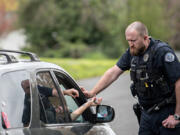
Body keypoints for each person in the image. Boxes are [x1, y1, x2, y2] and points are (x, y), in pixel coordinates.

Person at [81, 21, 180, 135]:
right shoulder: (132, 52)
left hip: (167, 112)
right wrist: (92, 92)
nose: (131, 44)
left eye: (133, 40)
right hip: (146, 115)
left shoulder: (162, 52)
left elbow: (179, 81)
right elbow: (113, 72)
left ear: (145, 38)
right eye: (128, 41)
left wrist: (177, 116)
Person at [21, 79, 102, 126]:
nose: (31, 89)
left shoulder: (37, 89)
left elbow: (53, 92)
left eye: (32, 86)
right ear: (24, 90)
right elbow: (25, 125)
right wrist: (88, 104)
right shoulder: (27, 104)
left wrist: (66, 92)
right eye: (28, 88)